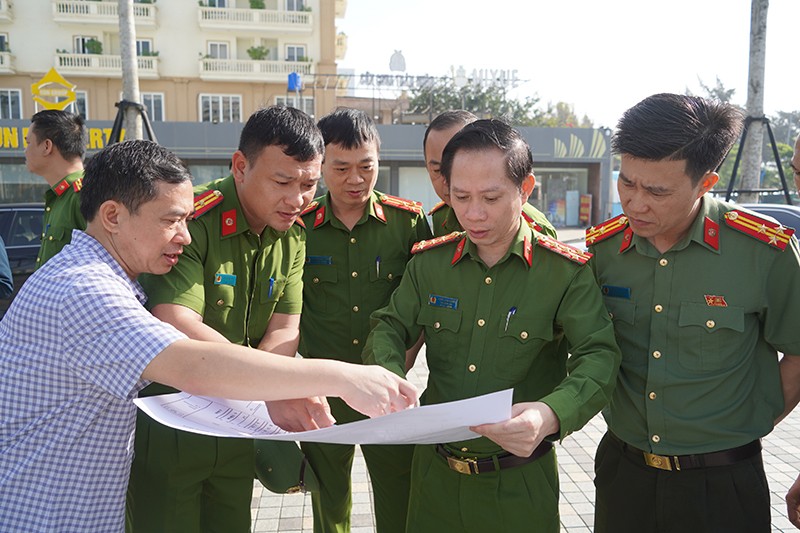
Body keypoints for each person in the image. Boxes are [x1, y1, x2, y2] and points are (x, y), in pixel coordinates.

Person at [0, 139, 418, 533]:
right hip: (41, 516)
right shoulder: (85, 290)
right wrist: (344, 377)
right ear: (113, 216)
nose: (184, 235)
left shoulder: (99, 279)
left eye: (185, 220)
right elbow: (191, 364)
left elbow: (278, 328)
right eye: (170, 221)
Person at [364, 118, 621, 533]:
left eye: (491, 197)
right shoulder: (430, 264)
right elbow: (390, 327)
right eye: (460, 196)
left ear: (526, 189)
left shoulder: (563, 273)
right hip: (436, 479)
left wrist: (551, 414)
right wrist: (389, 376)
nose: (473, 213)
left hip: (519, 483)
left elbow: (599, 356)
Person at [586, 93, 800, 533]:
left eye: (657, 191)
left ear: (706, 182)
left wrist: (749, 421)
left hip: (724, 482)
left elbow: (798, 350)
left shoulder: (764, 252)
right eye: (627, 183)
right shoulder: (602, 251)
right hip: (625, 474)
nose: (635, 203)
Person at [126, 106, 329, 532]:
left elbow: (285, 326)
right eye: (282, 182)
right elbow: (176, 318)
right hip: (174, 423)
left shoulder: (291, 235)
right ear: (240, 166)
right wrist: (267, 387)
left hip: (239, 424)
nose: (297, 199)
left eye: (309, 184)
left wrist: (269, 388)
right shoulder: (191, 220)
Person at [294, 107, 431, 533]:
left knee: (399, 496)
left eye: (366, 166)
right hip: (322, 392)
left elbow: (424, 305)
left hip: (388, 389)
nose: (355, 180)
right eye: (341, 168)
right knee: (328, 501)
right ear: (320, 165)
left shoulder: (408, 223)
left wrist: (398, 368)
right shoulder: (300, 225)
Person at [423, 110, 557, 238]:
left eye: (491, 198)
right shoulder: (441, 217)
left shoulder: (533, 226)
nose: (448, 180)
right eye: (438, 171)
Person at [24, 109, 87, 268]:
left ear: (46, 146)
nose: (25, 151)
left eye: (28, 143)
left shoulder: (83, 194)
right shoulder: (60, 196)